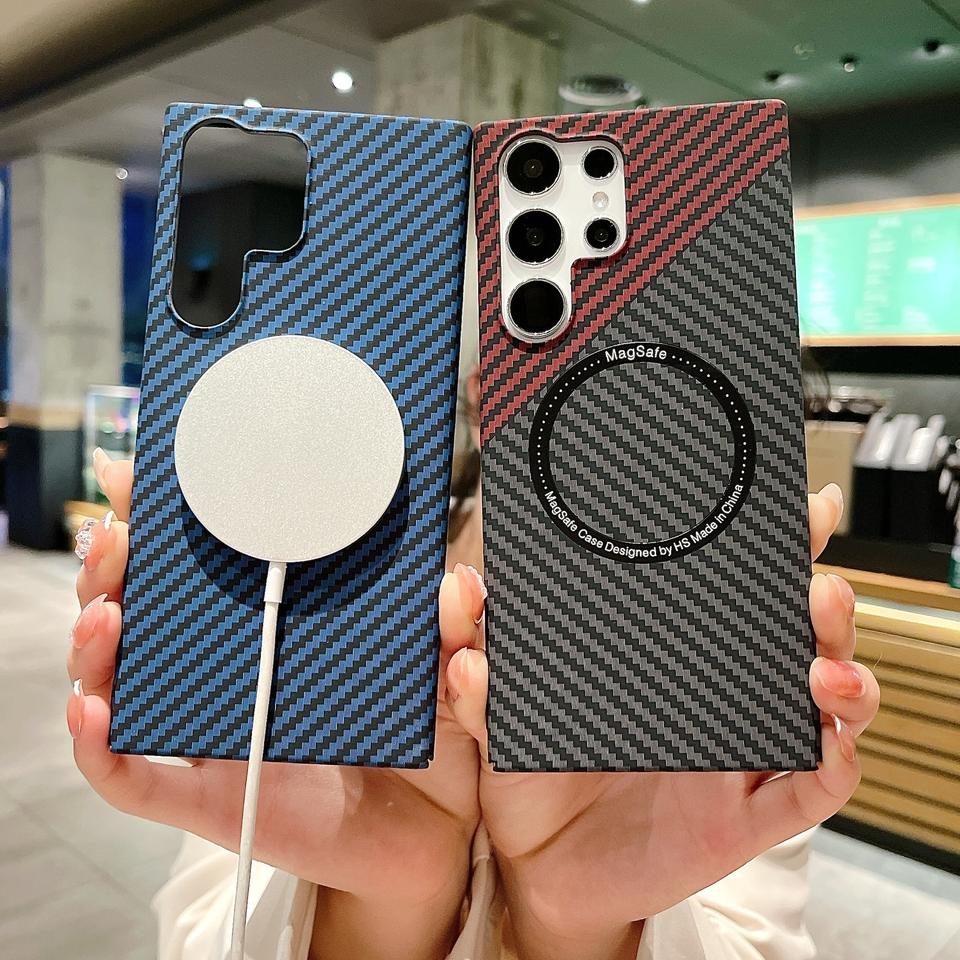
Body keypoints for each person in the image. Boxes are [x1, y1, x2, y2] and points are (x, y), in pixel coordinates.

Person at [67, 368, 878, 960]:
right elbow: (201, 928)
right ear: (488, 393)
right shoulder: (317, 591)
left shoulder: (722, 646)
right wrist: (391, 895)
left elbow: (758, 934)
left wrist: (574, 921)